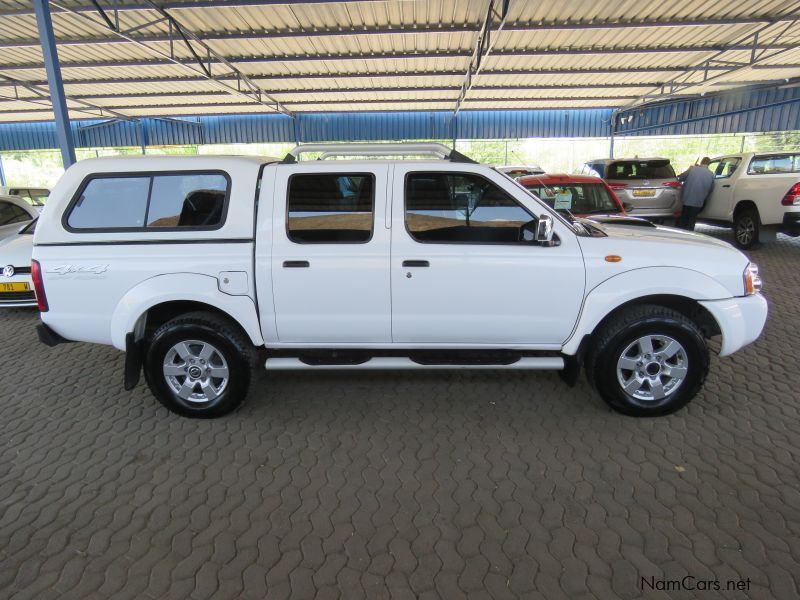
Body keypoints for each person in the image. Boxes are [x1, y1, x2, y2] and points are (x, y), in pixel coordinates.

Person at [676, 157, 715, 230]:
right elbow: (711, 189)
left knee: (684, 218)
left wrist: (689, 168)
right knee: (692, 220)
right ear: (709, 164)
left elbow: (680, 178)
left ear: (701, 162)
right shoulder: (711, 174)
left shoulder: (692, 169)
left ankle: (681, 235)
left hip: (687, 199)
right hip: (698, 201)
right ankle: (690, 235)